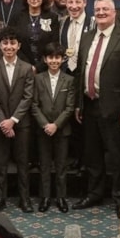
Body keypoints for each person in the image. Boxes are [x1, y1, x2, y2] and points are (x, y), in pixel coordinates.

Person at [72, 0, 120, 211]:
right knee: (92, 155)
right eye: (98, 9)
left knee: (117, 156)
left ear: (114, 13)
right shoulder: (87, 37)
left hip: (115, 108)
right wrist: (78, 104)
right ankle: (95, 193)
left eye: (105, 10)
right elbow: (81, 72)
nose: (101, 12)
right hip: (89, 105)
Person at [0, 27, 36, 212]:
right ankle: (0, 198)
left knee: (23, 163)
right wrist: (3, 122)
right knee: (0, 163)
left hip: (21, 124)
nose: (9, 47)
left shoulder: (26, 68)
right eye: (5, 43)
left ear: (19, 45)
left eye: (12, 43)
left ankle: (25, 199)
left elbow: (27, 97)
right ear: (0, 45)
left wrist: (13, 120)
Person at [33, 42, 76, 213]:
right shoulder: (38, 79)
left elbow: (70, 107)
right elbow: (34, 105)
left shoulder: (69, 80)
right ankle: (45, 197)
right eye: (50, 57)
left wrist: (56, 125)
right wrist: (46, 125)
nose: (54, 61)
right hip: (43, 130)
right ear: (45, 59)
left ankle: (61, 197)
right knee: (44, 165)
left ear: (63, 59)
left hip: (62, 130)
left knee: (61, 166)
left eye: (57, 57)